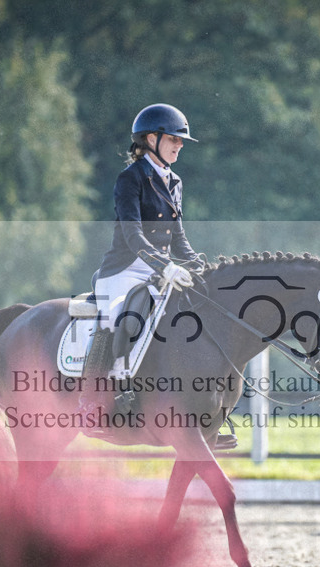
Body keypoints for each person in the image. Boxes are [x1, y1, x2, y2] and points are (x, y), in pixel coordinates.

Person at [79, 103, 202, 424]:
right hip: (123, 270)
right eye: (174, 139)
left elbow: (178, 236)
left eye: (181, 140)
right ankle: (92, 398)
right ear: (151, 139)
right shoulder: (130, 178)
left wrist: (197, 264)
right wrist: (165, 266)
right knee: (123, 317)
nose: (180, 145)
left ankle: (204, 408)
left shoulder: (174, 181)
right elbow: (132, 234)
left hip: (159, 271)